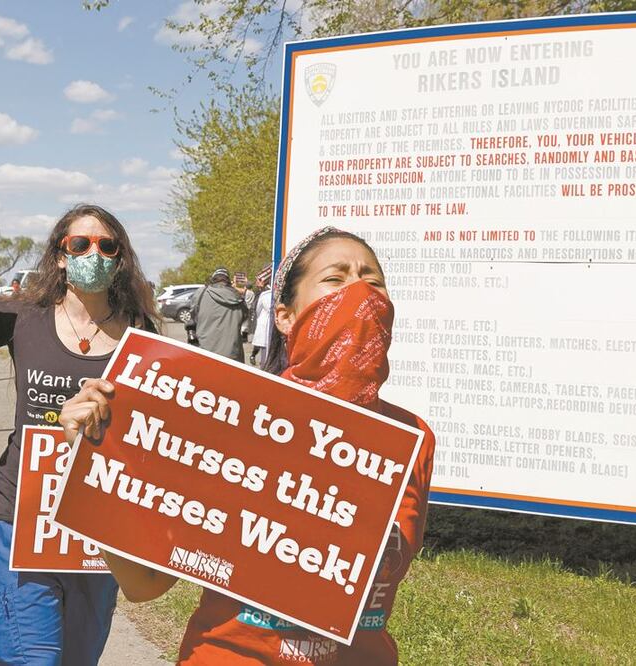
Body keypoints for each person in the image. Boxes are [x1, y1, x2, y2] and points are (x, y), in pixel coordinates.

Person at [68, 226, 437, 665]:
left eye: (372, 282)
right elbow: (144, 585)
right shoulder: (235, 419)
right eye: (336, 280)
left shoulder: (412, 438)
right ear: (283, 316)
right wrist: (94, 457)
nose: (360, 295)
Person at [0, 200, 161, 665]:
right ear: (60, 255)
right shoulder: (23, 316)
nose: (95, 254)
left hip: (96, 526)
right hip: (21, 516)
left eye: (108, 246)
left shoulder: (142, 334)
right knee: (31, 659)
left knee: (78, 659)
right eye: (80, 244)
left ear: (121, 258)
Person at [185, 267, 249, 362]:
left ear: (213, 279)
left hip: (205, 351)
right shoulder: (237, 297)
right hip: (232, 354)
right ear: (228, 281)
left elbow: (193, 316)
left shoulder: (201, 293)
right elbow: (244, 317)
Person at [249, 264, 273, 366]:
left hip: (267, 327)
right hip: (265, 328)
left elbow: (258, 308)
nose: (256, 282)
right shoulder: (262, 292)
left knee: (266, 357)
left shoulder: (266, 293)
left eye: (258, 280)